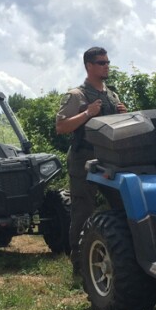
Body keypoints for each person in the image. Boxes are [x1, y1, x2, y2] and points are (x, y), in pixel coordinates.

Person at [56, 47, 128, 273]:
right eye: (101, 62)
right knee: (82, 210)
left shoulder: (112, 96)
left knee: (121, 207)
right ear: (89, 66)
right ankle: (80, 264)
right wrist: (87, 113)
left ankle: (118, 258)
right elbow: (61, 126)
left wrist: (124, 115)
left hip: (110, 158)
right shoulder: (77, 95)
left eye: (107, 62)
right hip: (83, 159)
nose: (107, 66)